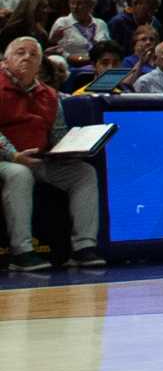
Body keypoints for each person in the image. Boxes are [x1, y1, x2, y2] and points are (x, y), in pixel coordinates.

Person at [1, 35, 105, 268]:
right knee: (19, 173)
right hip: (6, 159)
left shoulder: (50, 95)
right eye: (20, 52)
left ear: (40, 63)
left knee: (83, 172)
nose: (27, 56)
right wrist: (13, 155)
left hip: (39, 159)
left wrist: (70, 149)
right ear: (5, 60)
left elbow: (58, 133)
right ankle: (21, 252)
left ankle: (83, 247)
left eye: (33, 54)